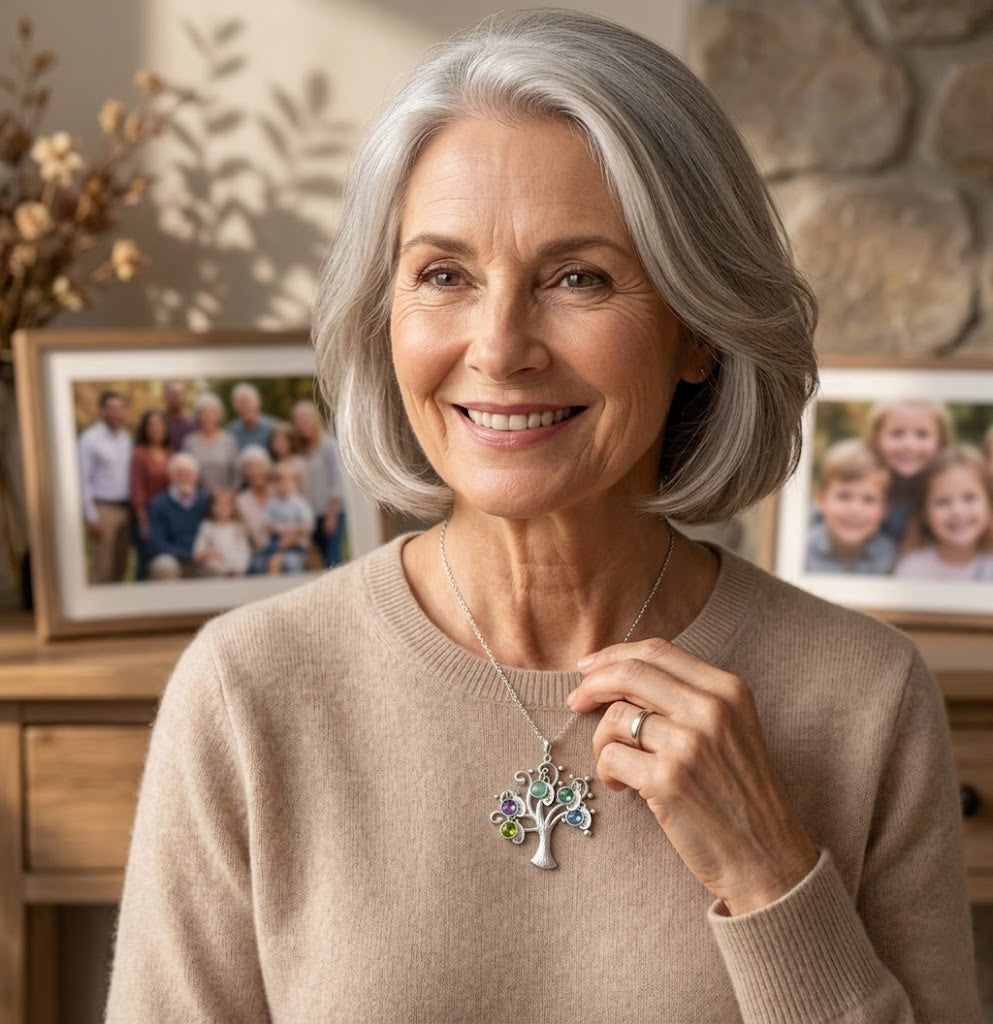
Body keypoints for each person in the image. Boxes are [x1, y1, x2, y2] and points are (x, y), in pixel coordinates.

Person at [105, 11, 982, 1024]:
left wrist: (773, 875)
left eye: (579, 278)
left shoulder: (866, 698)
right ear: (383, 312)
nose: (500, 345)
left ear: (697, 327)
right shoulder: (248, 692)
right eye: (444, 274)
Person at [893, 444, 993, 581]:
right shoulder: (912, 569)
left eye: (969, 498)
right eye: (943, 502)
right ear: (924, 513)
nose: (957, 511)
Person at [865, 399, 952, 546]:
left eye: (922, 434)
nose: (909, 445)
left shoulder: (950, 488)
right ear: (876, 439)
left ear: (941, 442)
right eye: (897, 434)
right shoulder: (859, 480)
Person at [804, 438, 896, 574]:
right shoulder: (801, 550)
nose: (855, 510)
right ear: (821, 499)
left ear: (884, 509)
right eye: (844, 496)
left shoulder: (890, 556)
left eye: (869, 500)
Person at [77, 390, 133, 584]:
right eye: (111, 409)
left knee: (121, 565)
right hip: (103, 509)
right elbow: (83, 479)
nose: (116, 413)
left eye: (119, 409)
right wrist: (91, 515)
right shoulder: (90, 439)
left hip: (126, 508)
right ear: (102, 410)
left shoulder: (127, 438)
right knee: (102, 567)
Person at [291, 399, 347, 566]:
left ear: (316, 420)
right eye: (299, 421)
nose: (303, 424)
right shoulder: (300, 451)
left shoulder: (329, 446)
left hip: (330, 513)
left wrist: (332, 515)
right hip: (310, 516)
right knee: (319, 562)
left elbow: (337, 482)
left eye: (307, 419)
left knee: (332, 560)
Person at [146, 453, 210, 580]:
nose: (184, 478)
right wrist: (189, 555)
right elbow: (156, 544)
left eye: (189, 474)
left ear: (196, 477)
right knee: (164, 565)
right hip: (171, 557)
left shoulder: (205, 502)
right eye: (179, 473)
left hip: (199, 556)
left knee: (216, 566)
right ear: (171, 476)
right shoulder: (158, 504)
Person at [129, 409, 173, 581]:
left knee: (164, 561)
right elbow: (137, 488)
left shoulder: (172, 453)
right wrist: (142, 520)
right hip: (147, 516)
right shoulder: (140, 454)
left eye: (159, 425)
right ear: (145, 429)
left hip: (168, 518)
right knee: (145, 562)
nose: (156, 429)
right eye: (152, 425)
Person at [259, 461, 315, 574]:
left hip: (296, 543)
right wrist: (279, 531)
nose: (282, 487)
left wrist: (292, 533)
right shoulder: (272, 503)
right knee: (262, 563)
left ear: (295, 484)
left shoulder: (299, 503)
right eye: (278, 483)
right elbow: (267, 523)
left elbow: (307, 525)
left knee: (290, 563)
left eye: (286, 483)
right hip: (277, 541)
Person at [182, 392, 238, 496]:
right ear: (198, 416)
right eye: (204, 413)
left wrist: (230, 494)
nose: (208, 417)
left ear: (219, 416)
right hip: (197, 498)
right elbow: (184, 474)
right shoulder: (189, 442)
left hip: (223, 500)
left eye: (212, 413)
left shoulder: (229, 441)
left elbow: (236, 473)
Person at [192, 486, 252, 577]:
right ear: (212, 507)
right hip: (214, 569)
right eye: (219, 505)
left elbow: (244, 552)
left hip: (234, 570)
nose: (222, 508)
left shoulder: (238, 528)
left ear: (233, 508)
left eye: (226, 505)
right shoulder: (207, 527)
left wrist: (239, 569)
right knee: (213, 567)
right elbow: (198, 551)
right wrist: (208, 552)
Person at [234, 445, 274, 574]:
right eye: (249, 468)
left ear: (267, 468)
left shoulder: (281, 492)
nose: (254, 472)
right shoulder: (241, 500)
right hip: (256, 553)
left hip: (285, 549)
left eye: (259, 467)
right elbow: (241, 536)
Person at [226, 381, 276, 451]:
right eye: (240, 402)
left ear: (258, 403)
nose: (245, 407)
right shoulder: (230, 432)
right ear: (235, 407)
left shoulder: (273, 428)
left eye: (248, 401)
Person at [162, 380, 195, 452]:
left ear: (183, 396)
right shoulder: (160, 421)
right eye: (172, 394)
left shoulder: (191, 423)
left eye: (178, 394)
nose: (175, 397)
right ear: (165, 396)